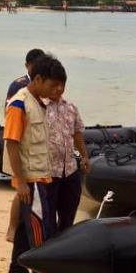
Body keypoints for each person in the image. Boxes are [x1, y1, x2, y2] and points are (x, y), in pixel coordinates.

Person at [3, 55, 70, 273]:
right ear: (38, 79)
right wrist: (20, 181)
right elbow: (11, 142)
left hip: (42, 176)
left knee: (28, 227)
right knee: (41, 230)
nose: (58, 90)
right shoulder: (20, 104)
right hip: (31, 179)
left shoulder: (37, 102)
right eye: (54, 85)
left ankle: (18, 268)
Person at [4, 47, 44, 273]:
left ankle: (19, 262)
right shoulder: (20, 87)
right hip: (19, 144)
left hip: (31, 151)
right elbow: (14, 117)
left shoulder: (42, 88)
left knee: (25, 197)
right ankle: (12, 229)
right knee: (21, 192)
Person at [44, 83, 90, 232]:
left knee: (68, 216)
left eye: (61, 85)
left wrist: (84, 156)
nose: (58, 89)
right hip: (49, 172)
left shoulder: (71, 108)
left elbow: (77, 134)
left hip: (70, 170)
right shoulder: (40, 107)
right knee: (48, 217)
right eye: (54, 84)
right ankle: (48, 249)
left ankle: (63, 247)